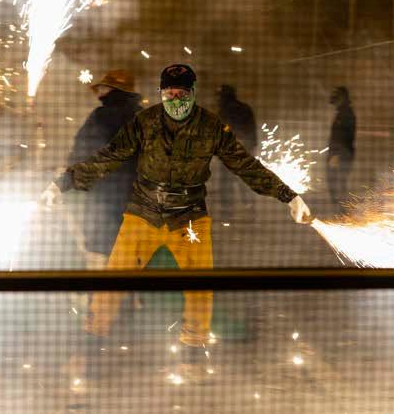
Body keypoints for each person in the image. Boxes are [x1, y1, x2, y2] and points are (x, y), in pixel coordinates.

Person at [40, 64, 312, 385]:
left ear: (192, 94)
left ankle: (192, 361)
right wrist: (61, 184)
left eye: (182, 94)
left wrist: (289, 196)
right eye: (169, 93)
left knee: (199, 290)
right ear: (161, 94)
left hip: (189, 221)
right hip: (141, 216)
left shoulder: (210, 127)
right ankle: (87, 356)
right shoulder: (144, 123)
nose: (175, 100)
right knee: (110, 287)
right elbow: (105, 158)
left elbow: (246, 165)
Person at [67, 70, 142, 268]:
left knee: (103, 257)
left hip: (105, 198)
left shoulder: (100, 117)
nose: (99, 91)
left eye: (103, 87)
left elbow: (82, 152)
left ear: (112, 90)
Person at [214, 84, 259, 218]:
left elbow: (225, 128)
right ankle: (249, 209)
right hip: (245, 149)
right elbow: (251, 129)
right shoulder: (245, 108)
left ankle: (226, 212)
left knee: (226, 182)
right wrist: (251, 145)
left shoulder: (225, 110)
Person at [326, 86, 356, 208]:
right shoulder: (343, 113)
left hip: (342, 154)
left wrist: (336, 155)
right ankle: (341, 209)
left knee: (337, 182)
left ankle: (341, 209)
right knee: (338, 182)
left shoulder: (346, 114)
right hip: (342, 153)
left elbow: (343, 137)